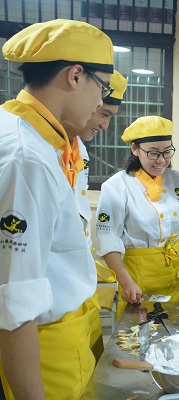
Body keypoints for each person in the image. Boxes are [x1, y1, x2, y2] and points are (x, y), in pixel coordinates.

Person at [0, 19, 114, 399]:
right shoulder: (27, 158)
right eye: (103, 88)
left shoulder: (34, 137)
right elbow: (16, 300)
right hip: (43, 346)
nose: (100, 103)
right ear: (75, 76)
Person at [95, 116, 179, 320]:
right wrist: (126, 283)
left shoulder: (177, 180)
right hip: (140, 280)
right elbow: (108, 240)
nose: (161, 160)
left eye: (167, 151)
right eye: (153, 153)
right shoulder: (116, 186)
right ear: (135, 149)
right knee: (141, 334)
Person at [63, 70, 128, 363]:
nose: (104, 123)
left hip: (81, 286)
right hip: (51, 304)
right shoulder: (28, 148)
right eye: (102, 112)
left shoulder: (79, 150)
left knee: (94, 370)